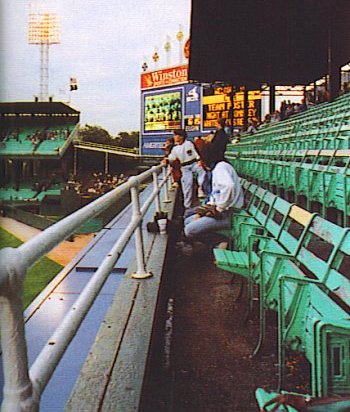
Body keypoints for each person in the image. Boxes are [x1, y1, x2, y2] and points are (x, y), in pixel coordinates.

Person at [180, 144, 244, 255]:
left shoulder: (220, 167)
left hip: (230, 214)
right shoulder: (218, 167)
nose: (200, 163)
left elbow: (229, 186)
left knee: (189, 230)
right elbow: (216, 195)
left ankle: (219, 241)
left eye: (201, 159)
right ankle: (218, 242)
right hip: (225, 212)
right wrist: (204, 212)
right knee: (188, 221)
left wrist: (219, 208)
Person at [167, 129, 204, 209]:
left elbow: (197, 153)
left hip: (194, 163)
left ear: (181, 136)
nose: (174, 137)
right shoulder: (175, 148)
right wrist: (166, 160)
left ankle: (201, 188)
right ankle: (187, 206)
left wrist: (200, 161)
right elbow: (171, 158)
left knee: (202, 171)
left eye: (176, 135)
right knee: (187, 185)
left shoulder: (189, 143)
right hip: (185, 167)